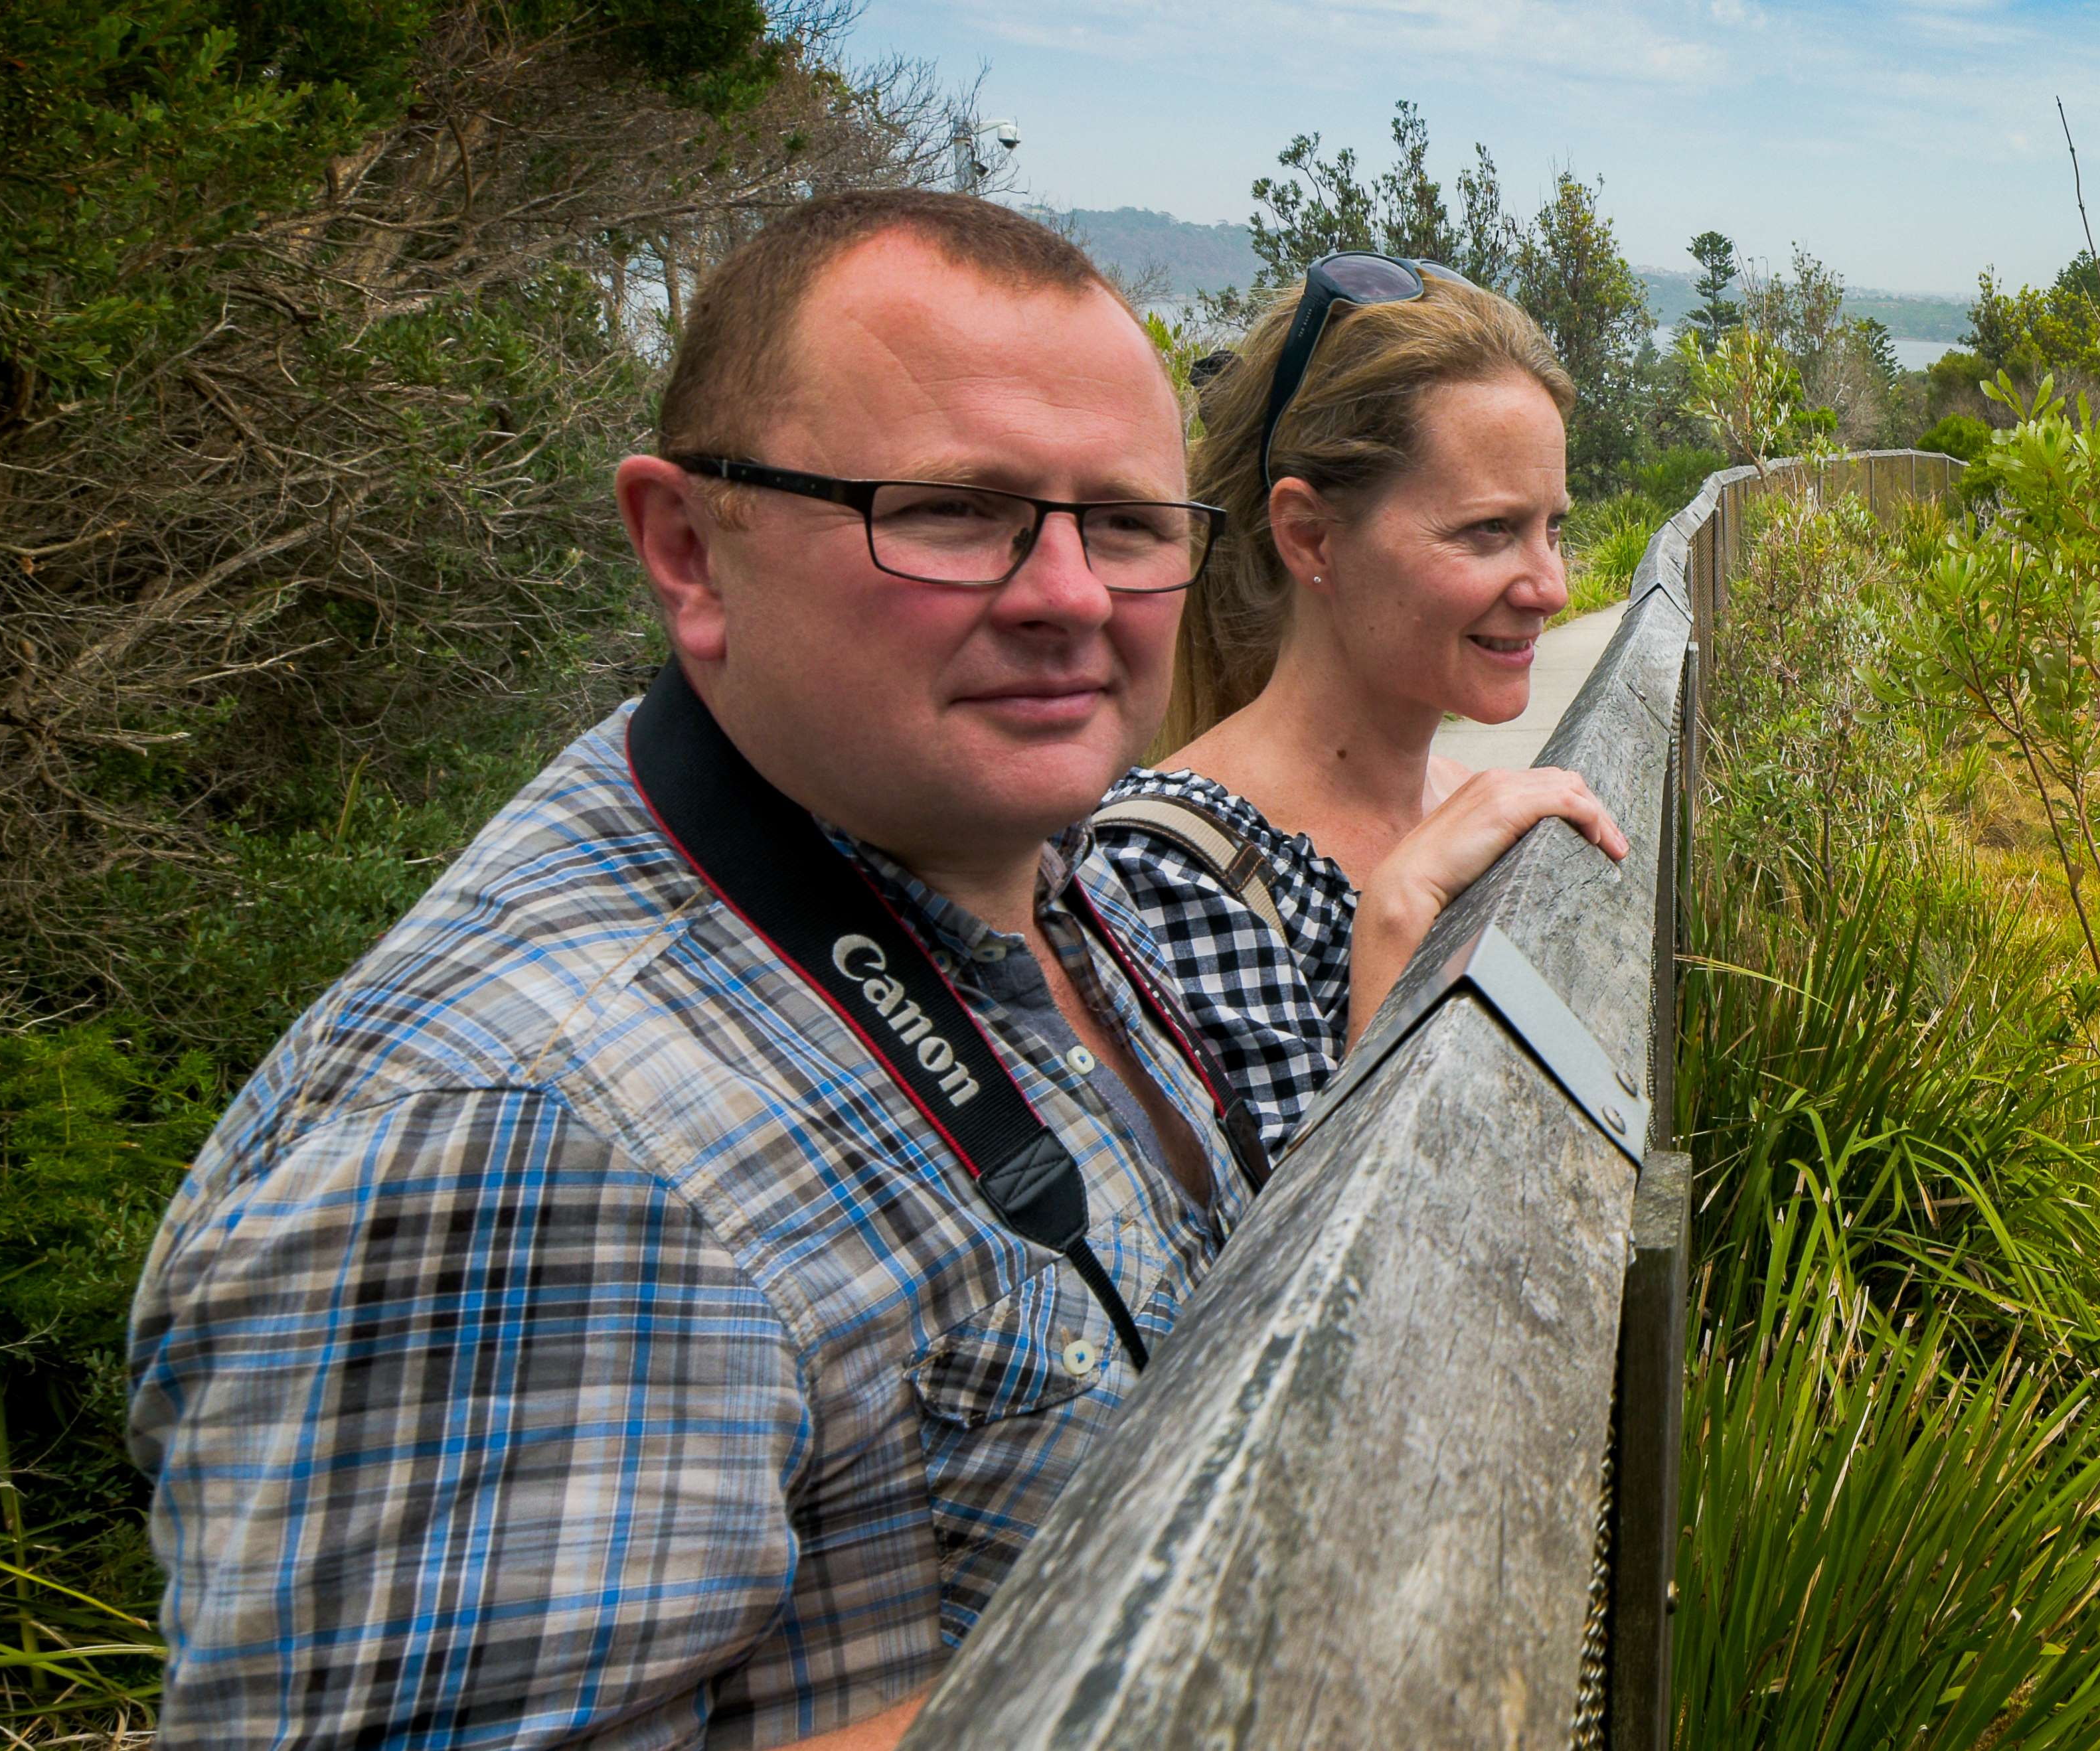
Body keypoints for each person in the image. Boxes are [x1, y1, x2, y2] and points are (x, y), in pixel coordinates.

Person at [127, 190, 1250, 1749]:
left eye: (1126, 523)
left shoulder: (1023, 874)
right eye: (944, 508)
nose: (1068, 593)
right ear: (687, 548)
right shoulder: (525, 1130)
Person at [1085, 256, 1625, 1165]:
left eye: (1554, 527)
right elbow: (1287, 1278)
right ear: (1309, 536)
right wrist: (1395, 924)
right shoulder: (1169, 878)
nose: (1554, 587)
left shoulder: (1469, 805)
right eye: (1490, 530)